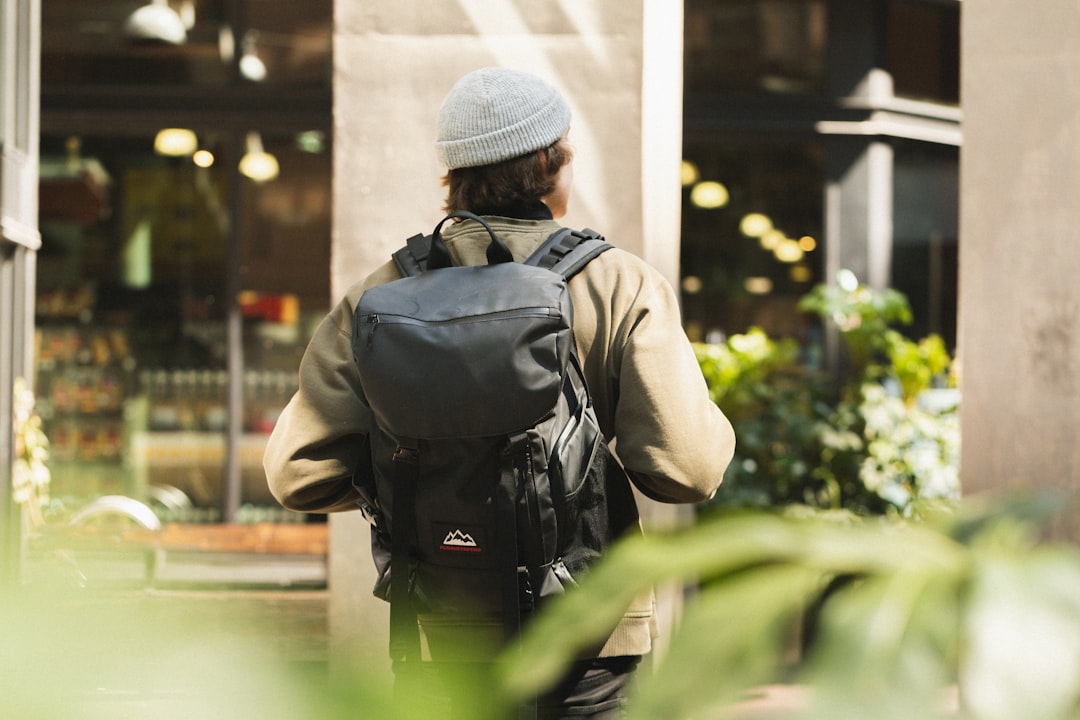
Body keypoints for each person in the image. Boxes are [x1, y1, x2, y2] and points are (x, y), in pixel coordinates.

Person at [263, 66, 736, 718]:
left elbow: (297, 474)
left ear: (452, 175)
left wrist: (418, 473)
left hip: (443, 640)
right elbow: (687, 468)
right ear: (551, 162)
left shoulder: (380, 296)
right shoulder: (620, 284)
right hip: (592, 642)